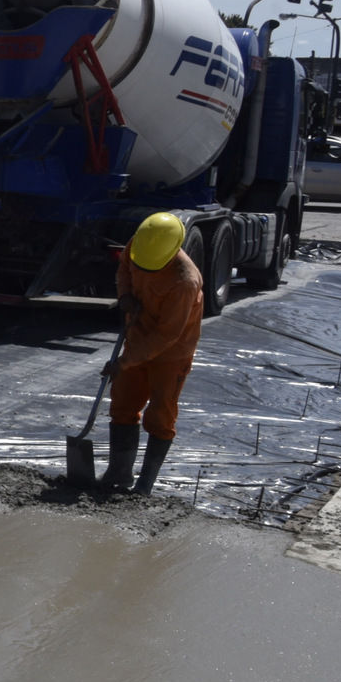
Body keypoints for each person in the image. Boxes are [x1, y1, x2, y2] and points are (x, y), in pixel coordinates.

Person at [102, 211, 202, 494]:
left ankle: (145, 485)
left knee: (160, 416)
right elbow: (124, 269)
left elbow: (167, 335)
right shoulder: (141, 244)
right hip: (137, 341)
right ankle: (119, 473)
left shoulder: (185, 281)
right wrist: (125, 296)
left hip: (171, 355)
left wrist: (124, 362)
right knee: (122, 406)